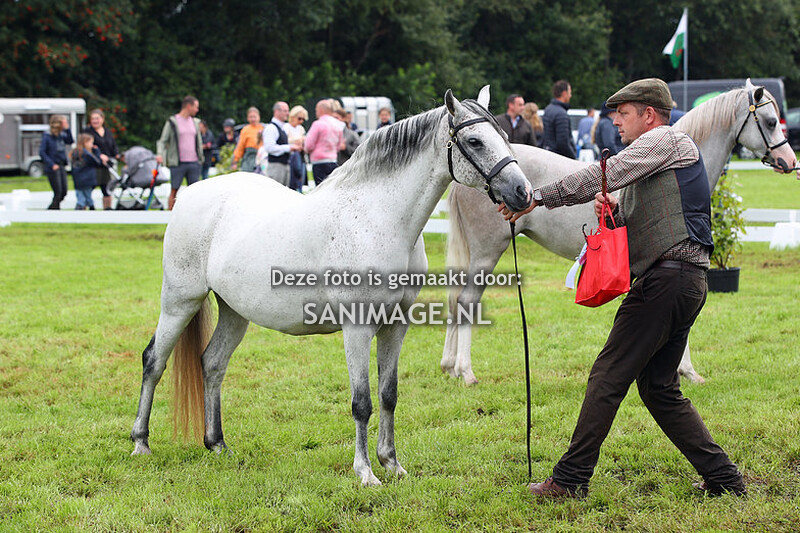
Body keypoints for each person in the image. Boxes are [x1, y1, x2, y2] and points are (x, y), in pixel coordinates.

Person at [502, 78, 746, 499]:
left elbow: (604, 173)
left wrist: (535, 198)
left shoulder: (666, 140)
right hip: (683, 281)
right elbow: (643, 219)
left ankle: (570, 479)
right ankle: (724, 479)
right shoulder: (657, 158)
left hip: (668, 280)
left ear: (649, 115)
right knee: (658, 387)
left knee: (607, 376)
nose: (615, 120)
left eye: (623, 112)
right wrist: (612, 212)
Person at [156, 95, 204, 210]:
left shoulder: (195, 122)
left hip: (193, 162)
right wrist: (159, 154)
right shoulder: (173, 122)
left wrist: (200, 158)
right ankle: (170, 215)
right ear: (188, 106)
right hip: (178, 162)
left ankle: (193, 214)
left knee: (195, 192)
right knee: (174, 189)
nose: (197, 110)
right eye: (195, 107)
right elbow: (162, 141)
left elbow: (199, 141)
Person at [83, 109, 118, 210]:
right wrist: (99, 156)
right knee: (89, 188)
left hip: (106, 165)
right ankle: (83, 208)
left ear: (102, 119)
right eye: (93, 119)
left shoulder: (107, 131)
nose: (95, 121)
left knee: (106, 189)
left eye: (97, 118)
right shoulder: (87, 132)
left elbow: (113, 145)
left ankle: (107, 209)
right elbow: (85, 147)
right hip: (93, 165)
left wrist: (116, 155)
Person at [304, 99, 344, 187]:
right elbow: (338, 146)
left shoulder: (318, 124)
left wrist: (306, 150)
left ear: (321, 110)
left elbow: (308, 145)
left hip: (319, 162)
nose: (316, 113)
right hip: (333, 160)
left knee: (320, 189)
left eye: (316, 110)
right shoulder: (338, 125)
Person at [262, 101, 302, 187]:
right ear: (276, 111)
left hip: (285, 165)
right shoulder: (271, 128)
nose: (288, 114)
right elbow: (269, 148)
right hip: (276, 167)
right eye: (285, 111)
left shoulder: (282, 128)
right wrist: (289, 148)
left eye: (288, 111)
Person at [39, 115, 74, 210]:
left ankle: (51, 210)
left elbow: (70, 141)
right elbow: (42, 152)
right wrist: (51, 164)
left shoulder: (62, 135)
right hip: (53, 167)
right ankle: (54, 211)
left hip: (61, 165)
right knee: (58, 192)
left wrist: (67, 129)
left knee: (64, 192)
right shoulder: (47, 136)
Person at [542, 80, 577, 159]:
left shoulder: (548, 109)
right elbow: (563, 143)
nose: (570, 96)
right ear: (564, 93)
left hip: (548, 155)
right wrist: (574, 158)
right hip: (559, 159)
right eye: (570, 93)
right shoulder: (561, 114)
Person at [70, 133, 103, 210]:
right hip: (88, 179)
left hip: (78, 179)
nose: (92, 145)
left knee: (80, 196)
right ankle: (91, 210)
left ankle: (79, 212)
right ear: (85, 142)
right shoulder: (87, 154)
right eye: (91, 143)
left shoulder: (75, 152)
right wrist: (97, 151)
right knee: (87, 198)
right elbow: (97, 162)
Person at [232, 107, 263, 173]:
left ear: (259, 117)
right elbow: (240, 146)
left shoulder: (263, 128)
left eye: (254, 117)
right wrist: (235, 160)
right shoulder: (245, 130)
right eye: (250, 117)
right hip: (249, 157)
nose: (253, 119)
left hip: (261, 157)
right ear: (247, 118)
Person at [284, 105, 308, 192]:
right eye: (299, 118)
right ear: (293, 116)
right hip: (291, 158)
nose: (301, 121)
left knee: (301, 178)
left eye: (303, 119)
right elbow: (285, 141)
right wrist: (297, 140)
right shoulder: (286, 127)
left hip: (301, 157)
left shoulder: (301, 128)